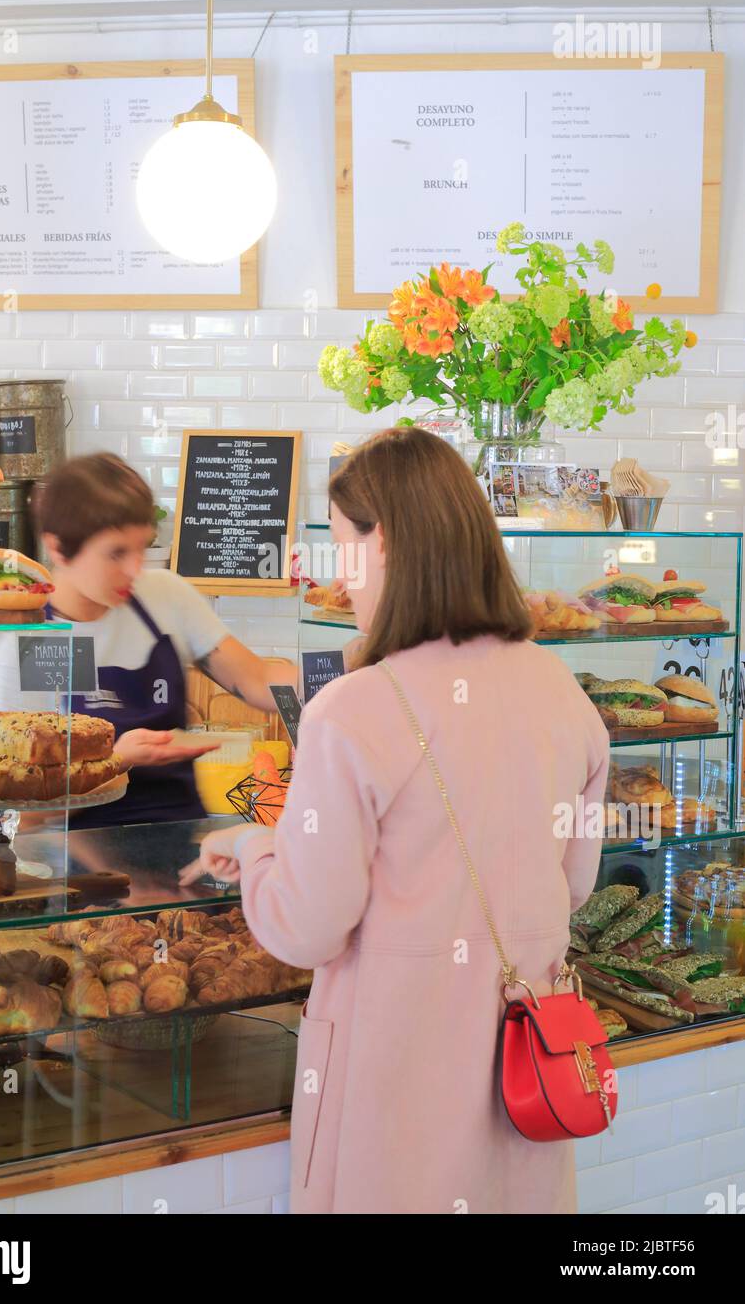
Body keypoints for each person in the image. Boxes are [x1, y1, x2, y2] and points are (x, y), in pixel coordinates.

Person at [181, 426, 610, 1215]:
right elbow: (574, 886)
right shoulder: (562, 688)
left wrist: (252, 842)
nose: (341, 576)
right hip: (524, 1078)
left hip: (395, 1079)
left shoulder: (355, 708)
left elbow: (307, 928)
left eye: (344, 543)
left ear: (387, 545)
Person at [0, 453, 293, 827]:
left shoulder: (164, 595)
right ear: (58, 547)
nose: (135, 569)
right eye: (116, 553)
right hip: (81, 865)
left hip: (179, 842)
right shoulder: (27, 646)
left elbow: (256, 680)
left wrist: (347, 677)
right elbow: (25, 812)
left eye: (141, 548)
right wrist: (117, 761)